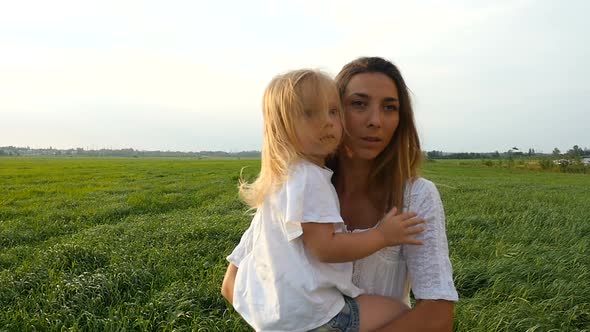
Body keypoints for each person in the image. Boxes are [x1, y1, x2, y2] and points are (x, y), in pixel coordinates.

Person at [222, 57, 459, 331]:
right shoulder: (295, 185)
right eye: (358, 104)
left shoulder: (415, 196)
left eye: (390, 108)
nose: (375, 121)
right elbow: (232, 283)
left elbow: (438, 317)